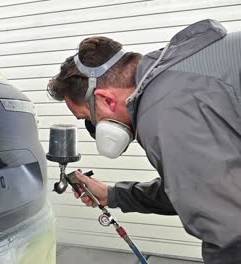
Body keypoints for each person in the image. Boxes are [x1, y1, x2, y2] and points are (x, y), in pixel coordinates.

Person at [47, 19, 241, 264]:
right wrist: (113, 195)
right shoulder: (178, 77)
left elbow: (231, 234)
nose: (94, 130)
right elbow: (194, 188)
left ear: (106, 99)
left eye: (88, 119)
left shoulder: (166, 108)